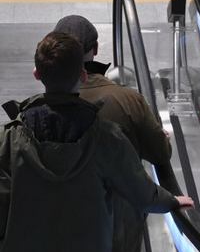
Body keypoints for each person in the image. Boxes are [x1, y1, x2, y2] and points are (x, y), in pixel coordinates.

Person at [0, 31, 193, 251]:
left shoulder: (7, 139)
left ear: (36, 73)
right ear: (82, 76)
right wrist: (172, 200)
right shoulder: (108, 137)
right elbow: (142, 193)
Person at [53, 16, 175, 252]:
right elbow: (161, 153)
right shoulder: (128, 100)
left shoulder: (39, 107)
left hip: (60, 224)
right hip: (118, 227)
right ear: (96, 49)